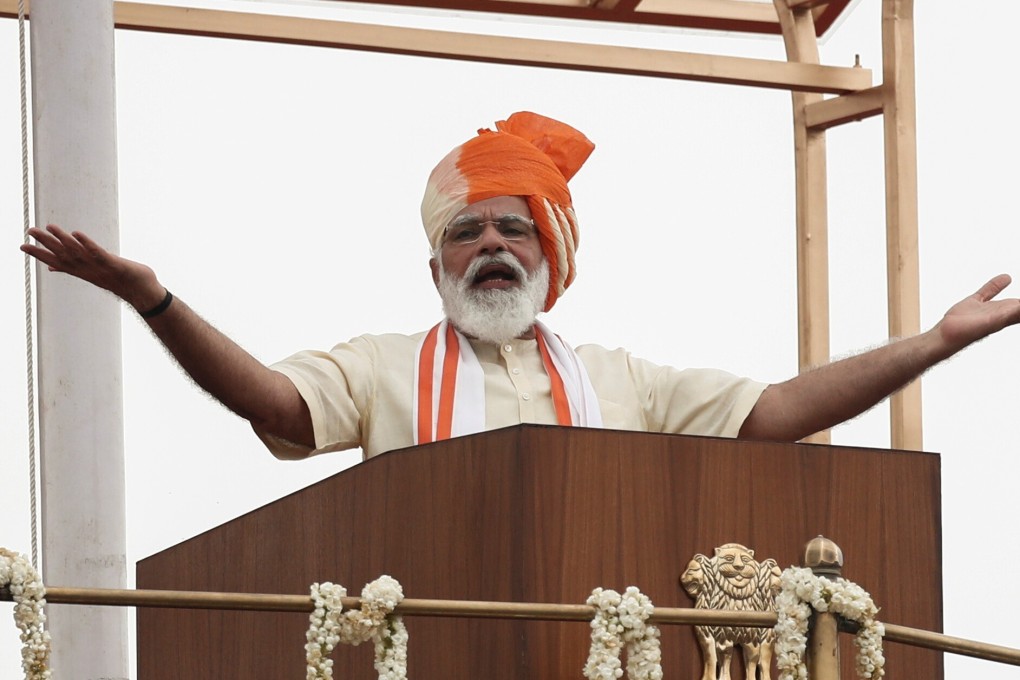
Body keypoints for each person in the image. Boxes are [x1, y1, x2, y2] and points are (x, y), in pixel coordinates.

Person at [21, 112, 1020, 460]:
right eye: (467, 230)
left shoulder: (621, 381)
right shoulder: (379, 366)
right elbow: (270, 400)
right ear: (436, 263)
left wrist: (934, 341)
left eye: (514, 226)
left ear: (551, 259)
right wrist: (154, 299)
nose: (492, 244)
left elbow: (777, 408)